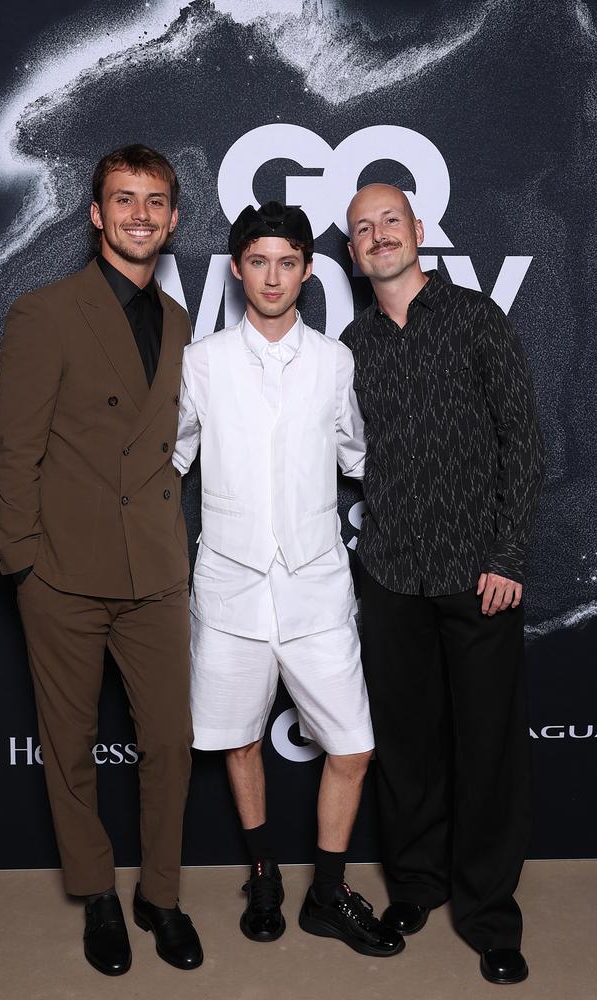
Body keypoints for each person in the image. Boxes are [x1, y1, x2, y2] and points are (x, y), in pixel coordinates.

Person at [0, 144, 203, 976]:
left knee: (170, 744)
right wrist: (24, 564)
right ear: (95, 213)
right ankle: (100, 895)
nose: (140, 215)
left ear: (174, 218)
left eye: (154, 202)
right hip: (63, 575)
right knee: (69, 746)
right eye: (124, 200)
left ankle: (161, 894)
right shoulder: (45, 310)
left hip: (152, 570)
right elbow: (13, 447)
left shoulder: (182, 324)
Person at [173, 201, 404, 959]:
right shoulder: (201, 363)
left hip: (316, 587)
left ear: (307, 272)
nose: (273, 277)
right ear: (237, 270)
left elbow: (362, 458)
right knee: (237, 741)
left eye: (288, 262)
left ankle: (328, 891)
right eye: (258, 261)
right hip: (231, 588)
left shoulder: (335, 361)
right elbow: (166, 459)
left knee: (354, 746)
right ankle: (265, 873)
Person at [341, 183, 545, 984]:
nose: (379, 235)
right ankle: (416, 889)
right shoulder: (351, 345)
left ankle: (490, 917)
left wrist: (508, 557)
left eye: (390, 220)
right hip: (392, 576)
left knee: (488, 752)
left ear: (419, 231)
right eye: (363, 228)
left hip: (478, 577)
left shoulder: (476, 319)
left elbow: (522, 444)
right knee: (409, 752)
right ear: (353, 253)